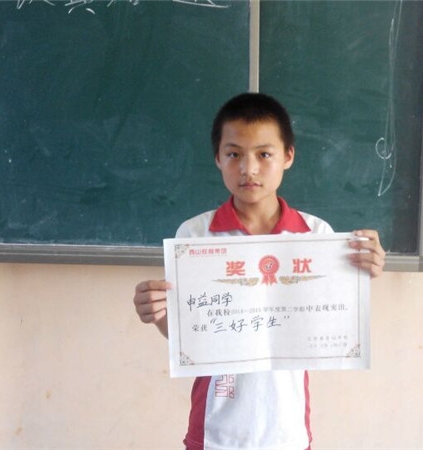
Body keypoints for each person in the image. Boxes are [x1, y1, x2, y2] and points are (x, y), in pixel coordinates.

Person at [133, 93, 385, 450]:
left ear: (288, 156)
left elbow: (331, 325)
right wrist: (158, 314)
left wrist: (362, 271)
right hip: (215, 430)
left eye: (264, 154)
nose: (248, 169)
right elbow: (189, 336)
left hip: (286, 429)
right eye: (234, 154)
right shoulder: (195, 236)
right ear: (217, 158)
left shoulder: (316, 236)